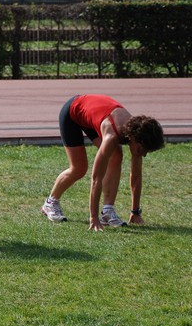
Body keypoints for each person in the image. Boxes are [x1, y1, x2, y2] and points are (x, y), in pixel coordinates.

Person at [41, 94, 164, 231]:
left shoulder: (138, 136)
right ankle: (50, 202)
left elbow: (135, 177)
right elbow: (96, 178)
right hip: (73, 113)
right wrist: (93, 218)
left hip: (94, 115)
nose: (144, 154)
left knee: (116, 155)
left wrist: (135, 212)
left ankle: (107, 211)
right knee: (79, 168)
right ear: (134, 139)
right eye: (142, 149)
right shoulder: (113, 135)